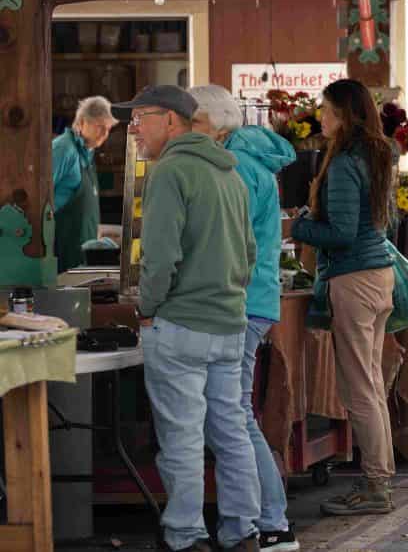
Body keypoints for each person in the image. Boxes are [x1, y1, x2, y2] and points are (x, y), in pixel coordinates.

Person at [119, 85, 260, 552]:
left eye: (141, 118)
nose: (133, 129)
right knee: (232, 432)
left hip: (180, 324)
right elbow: (250, 253)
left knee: (181, 437)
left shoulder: (169, 172)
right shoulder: (231, 176)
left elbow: (158, 257)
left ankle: (186, 536)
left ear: (173, 122)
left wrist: (147, 308)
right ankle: (243, 532)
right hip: (229, 322)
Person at [190, 85, 299, 551]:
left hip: (238, 302)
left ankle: (271, 522)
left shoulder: (233, 168)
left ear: (213, 126)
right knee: (233, 415)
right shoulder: (247, 161)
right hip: (251, 301)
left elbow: (228, 245)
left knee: (231, 417)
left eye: (189, 122)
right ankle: (268, 520)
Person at [290, 79, 397, 517]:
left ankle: (375, 486)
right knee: (370, 384)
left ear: (343, 114)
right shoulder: (375, 155)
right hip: (377, 276)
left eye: (325, 108)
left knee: (360, 390)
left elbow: (340, 233)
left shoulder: (343, 163)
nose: (320, 115)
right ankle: (380, 479)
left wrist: (298, 226)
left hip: (353, 279)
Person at [52, 96, 119, 272]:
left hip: (83, 257)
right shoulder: (63, 149)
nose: (105, 134)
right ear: (82, 122)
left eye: (108, 129)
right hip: (62, 255)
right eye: (100, 127)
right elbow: (37, 199)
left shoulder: (88, 154)